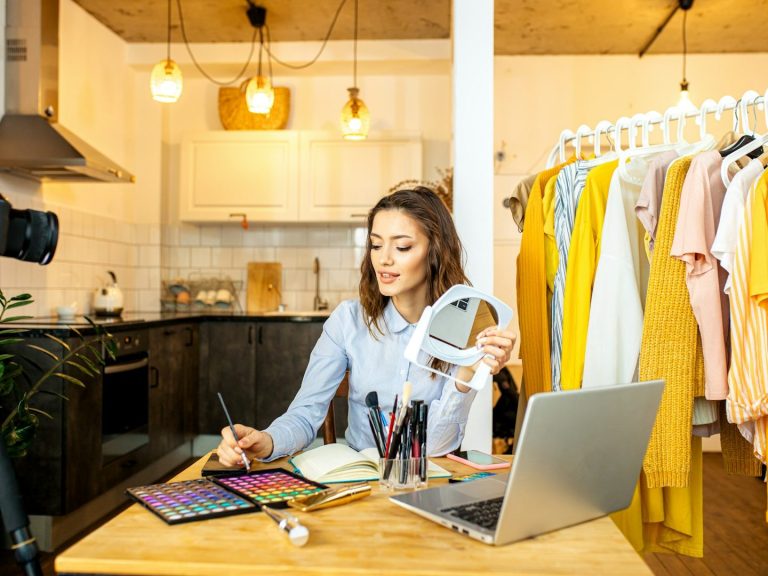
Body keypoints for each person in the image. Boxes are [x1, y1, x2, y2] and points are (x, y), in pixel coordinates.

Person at [217, 187, 516, 466]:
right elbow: (306, 414)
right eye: (375, 245)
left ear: (435, 251)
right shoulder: (347, 322)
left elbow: (437, 445)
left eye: (402, 246)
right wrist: (265, 441)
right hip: (359, 482)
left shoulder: (464, 329)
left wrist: (467, 372)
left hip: (428, 481)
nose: (383, 259)